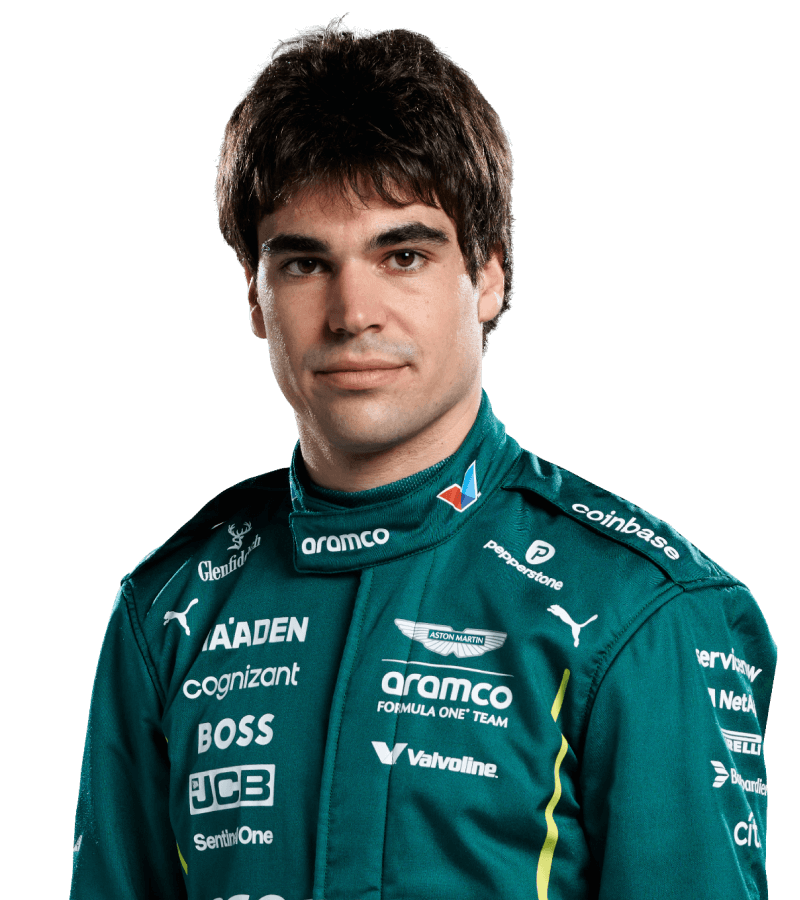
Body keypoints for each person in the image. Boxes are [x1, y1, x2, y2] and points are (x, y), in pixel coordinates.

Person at [71, 18, 776, 900]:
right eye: (304, 264)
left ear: (489, 276)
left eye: (402, 254)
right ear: (253, 296)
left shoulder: (644, 612)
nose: (351, 313)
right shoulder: (168, 607)